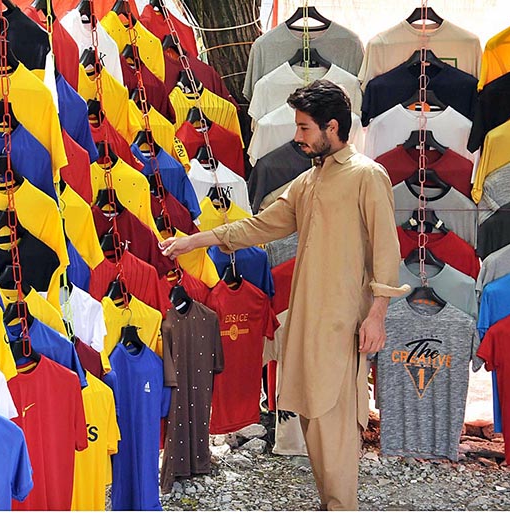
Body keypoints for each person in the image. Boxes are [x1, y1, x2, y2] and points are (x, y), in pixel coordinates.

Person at [159, 79, 409, 511]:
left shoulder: (368, 176)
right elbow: (261, 225)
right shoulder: (309, 181)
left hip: (343, 319)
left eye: (305, 128)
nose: (297, 137)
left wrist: (377, 314)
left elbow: (387, 249)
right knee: (312, 416)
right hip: (308, 318)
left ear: (332, 127)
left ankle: (341, 504)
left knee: (335, 420)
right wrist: (197, 241)